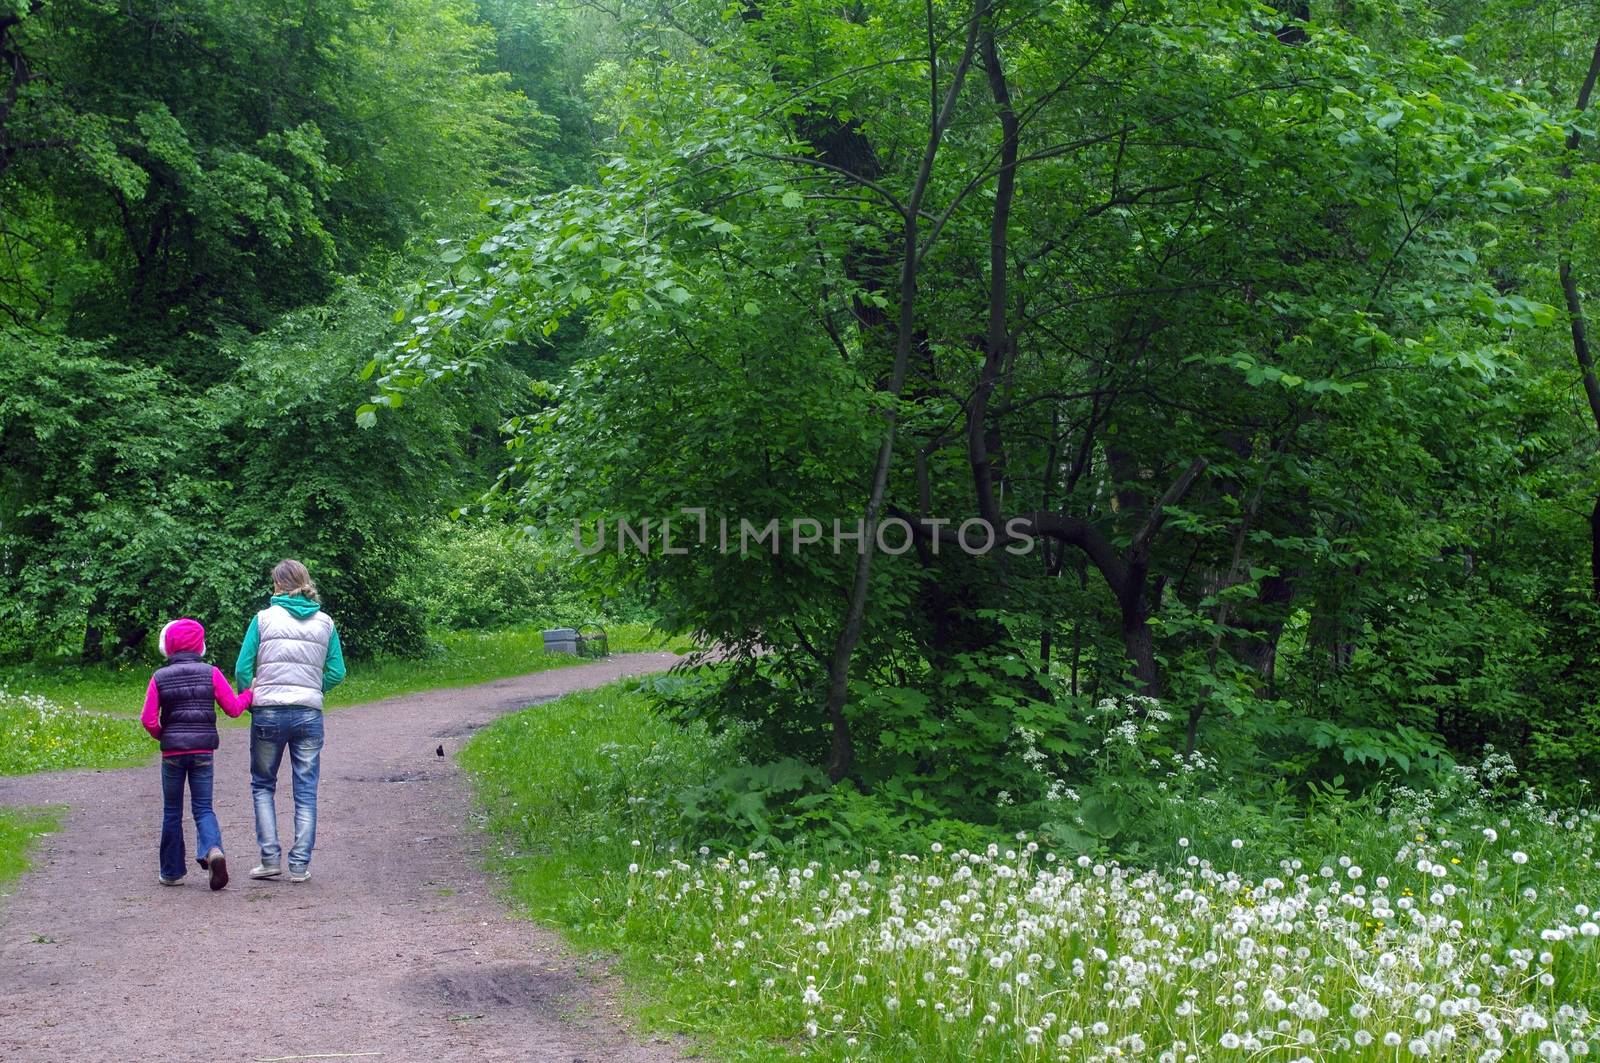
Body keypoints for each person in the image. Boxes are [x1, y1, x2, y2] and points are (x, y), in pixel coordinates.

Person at [235, 559, 345, 883]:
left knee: (262, 785)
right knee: (306, 790)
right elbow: (337, 672)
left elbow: (243, 668)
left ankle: (270, 859)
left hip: (268, 710)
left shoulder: (263, 619)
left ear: (279, 585)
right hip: (309, 714)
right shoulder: (325, 623)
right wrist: (314, 687)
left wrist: (250, 698)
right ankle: (299, 865)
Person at [141, 617, 253, 890]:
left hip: (172, 755)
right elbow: (234, 709)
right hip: (203, 752)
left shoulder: (159, 677)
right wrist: (251, 693)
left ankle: (171, 872)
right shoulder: (211, 673)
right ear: (199, 646)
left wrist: (164, 736)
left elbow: (148, 719)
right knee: (203, 808)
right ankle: (213, 850)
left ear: (168, 647)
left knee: (172, 811)